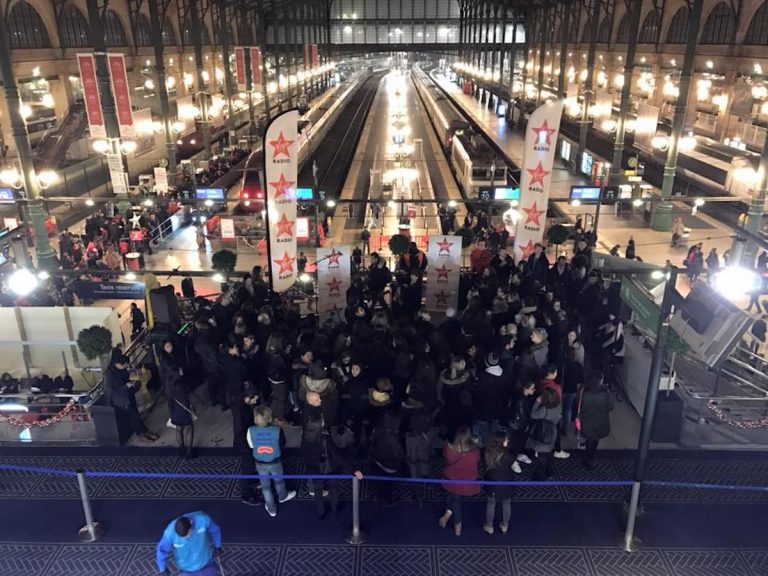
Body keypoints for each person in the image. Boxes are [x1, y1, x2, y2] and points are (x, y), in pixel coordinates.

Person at [301, 415, 363, 518]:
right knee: (334, 488)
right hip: (330, 469)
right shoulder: (325, 439)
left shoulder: (305, 437)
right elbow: (337, 457)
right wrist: (353, 470)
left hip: (314, 470)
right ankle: (334, 509)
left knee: (318, 491)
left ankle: (321, 513)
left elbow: (303, 452)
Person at [247, 406, 296, 517]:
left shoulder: (251, 430)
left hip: (259, 461)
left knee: (265, 486)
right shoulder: (277, 430)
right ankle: (283, 496)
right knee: (279, 481)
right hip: (275, 461)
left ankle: (271, 509)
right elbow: (282, 444)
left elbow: (251, 445)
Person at [104, 354, 157, 443]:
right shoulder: (110, 374)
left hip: (128, 395)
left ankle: (144, 431)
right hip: (121, 400)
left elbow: (127, 377)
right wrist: (125, 386)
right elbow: (111, 391)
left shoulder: (122, 370)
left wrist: (133, 382)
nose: (126, 366)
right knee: (134, 417)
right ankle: (141, 434)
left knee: (136, 415)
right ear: (118, 364)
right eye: (124, 365)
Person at [439, 426, 481, 536]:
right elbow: (478, 460)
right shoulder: (475, 452)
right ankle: (449, 516)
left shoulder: (449, 449)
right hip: (466, 483)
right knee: (453, 498)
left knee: (454, 499)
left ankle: (457, 524)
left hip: (451, 480)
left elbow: (445, 456)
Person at [156, 511, 222, 576]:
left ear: (191, 523)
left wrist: (218, 545)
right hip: (186, 567)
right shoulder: (170, 533)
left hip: (205, 562)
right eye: (183, 536)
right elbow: (162, 549)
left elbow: (215, 530)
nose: (186, 537)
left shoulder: (203, 519)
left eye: (187, 534)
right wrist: (162, 568)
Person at [159, 340, 195, 458]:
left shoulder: (165, 362)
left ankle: (182, 449)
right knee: (189, 426)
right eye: (168, 346)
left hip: (172, 398)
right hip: (180, 397)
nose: (170, 348)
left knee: (179, 427)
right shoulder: (171, 366)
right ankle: (189, 451)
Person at [577, 371, 614, 469]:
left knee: (590, 438)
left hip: (586, 420)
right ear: (600, 381)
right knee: (594, 440)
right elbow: (610, 407)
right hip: (600, 420)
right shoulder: (605, 393)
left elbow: (577, 404)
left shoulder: (583, 391)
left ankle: (587, 455)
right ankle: (588, 459)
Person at [483, 432, 517, 534]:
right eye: (506, 440)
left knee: (491, 503)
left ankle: (489, 526)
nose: (508, 441)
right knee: (507, 503)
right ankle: (505, 525)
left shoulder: (488, 453)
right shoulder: (509, 456)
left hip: (492, 482)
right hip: (506, 482)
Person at [527, 387, 562, 481]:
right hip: (552, 431)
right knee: (549, 451)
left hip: (542, 433)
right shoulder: (558, 406)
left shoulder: (543, 410)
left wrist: (537, 402)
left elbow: (533, 415)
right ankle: (549, 471)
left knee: (541, 456)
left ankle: (541, 476)